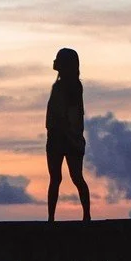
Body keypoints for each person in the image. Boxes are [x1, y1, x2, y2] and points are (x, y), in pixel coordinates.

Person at [46, 47, 92, 222]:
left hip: (69, 138)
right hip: (57, 137)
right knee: (56, 178)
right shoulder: (59, 86)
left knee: (75, 178)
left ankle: (86, 215)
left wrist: (70, 134)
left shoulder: (73, 87)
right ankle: (51, 217)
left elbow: (72, 115)